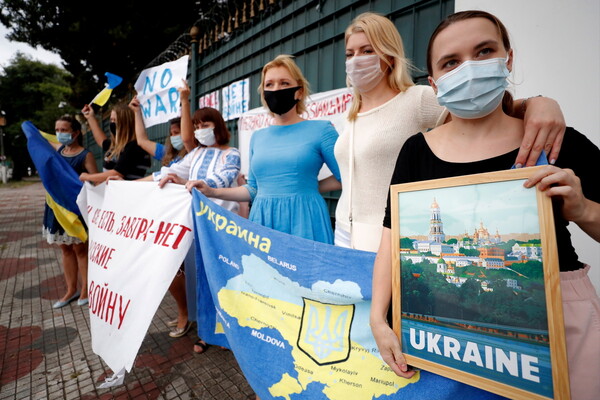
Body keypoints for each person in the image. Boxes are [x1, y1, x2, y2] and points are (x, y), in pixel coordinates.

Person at [370, 10, 600, 399]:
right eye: (451, 62)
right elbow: (391, 240)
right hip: (448, 337)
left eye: (484, 51)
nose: (470, 69)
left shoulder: (555, 141)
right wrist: (378, 318)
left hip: (561, 321)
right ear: (435, 82)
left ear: (507, 58)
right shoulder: (416, 151)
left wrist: (582, 209)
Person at [334, 12, 567, 252]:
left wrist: (538, 103)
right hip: (344, 232)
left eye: (367, 51)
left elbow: (478, 108)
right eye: (350, 54)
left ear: (388, 54)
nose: (356, 60)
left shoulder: (417, 99)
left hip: (387, 236)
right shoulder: (351, 113)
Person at [186, 54, 342, 244]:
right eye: (269, 84)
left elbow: (346, 176)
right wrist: (211, 191)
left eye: (284, 83)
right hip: (263, 222)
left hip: (305, 221)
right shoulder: (258, 137)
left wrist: (307, 188)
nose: (276, 89)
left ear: (299, 91)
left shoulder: (322, 130)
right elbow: (253, 189)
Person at [156, 96, 242, 353]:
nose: (199, 130)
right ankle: (206, 333)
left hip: (223, 228)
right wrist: (167, 178)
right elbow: (173, 171)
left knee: (225, 281)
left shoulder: (231, 153)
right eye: (196, 125)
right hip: (196, 227)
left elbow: (225, 178)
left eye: (204, 124)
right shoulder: (195, 154)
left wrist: (194, 184)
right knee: (201, 281)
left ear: (217, 126)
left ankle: (229, 333)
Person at [126, 97, 192, 339]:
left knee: (175, 268)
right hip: (166, 218)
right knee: (173, 269)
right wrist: (137, 113)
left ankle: (186, 314)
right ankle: (184, 310)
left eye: (180, 131)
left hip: (185, 219)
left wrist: (127, 186)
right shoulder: (169, 153)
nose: (176, 136)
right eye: (172, 132)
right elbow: (142, 140)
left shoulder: (195, 154)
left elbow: (159, 179)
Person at [44, 115, 98, 308]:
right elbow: (43, 140)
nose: (60, 133)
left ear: (75, 133)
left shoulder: (85, 155)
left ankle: (86, 290)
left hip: (76, 209)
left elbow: (95, 181)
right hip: (57, 207)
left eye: (64, 130)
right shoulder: (59, 151)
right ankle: (70, 290)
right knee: (65, 249)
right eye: (57, 129)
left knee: (80, 249)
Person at [80, 102, 150, 182]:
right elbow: (102, 141)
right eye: (111, 120)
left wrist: (88, 177)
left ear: (126, 122)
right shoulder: (118, 145)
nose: (112, 123)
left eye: (116, 120)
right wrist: (90, 117)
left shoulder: (134, 146)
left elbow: (117, 173)